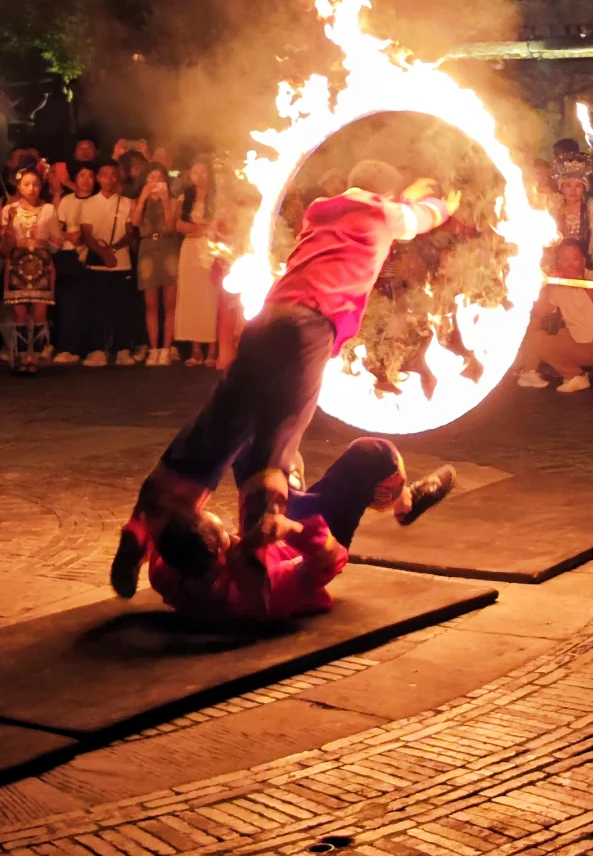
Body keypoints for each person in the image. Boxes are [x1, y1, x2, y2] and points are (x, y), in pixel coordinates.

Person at [110, 160, 459, 599]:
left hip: (268, 319)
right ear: (385, 196)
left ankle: (143, 526)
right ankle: (261, 545)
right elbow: (417, 219)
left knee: (219, 428)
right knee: (279, 436)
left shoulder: (319, 209)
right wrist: (438, 205)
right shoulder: (383, 213)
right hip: (309, 326)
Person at [147, 439, 454, 622]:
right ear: (217, 549)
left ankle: (291, 480)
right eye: (226, 537)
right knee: (373, 454)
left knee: (258, 447)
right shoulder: (265, 584)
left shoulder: (167, 571)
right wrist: (291, 529)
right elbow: (331, 558)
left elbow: (164, 523)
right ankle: (404, 502)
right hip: (307, 538)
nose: (233, 537)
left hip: (269, 532)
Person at [515, 240, 593, 396]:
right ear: (558, 262)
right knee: (537, 339)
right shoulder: (557, 284)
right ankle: (575, 377)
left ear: (583, 260)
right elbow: (540, 312)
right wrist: (545, 284)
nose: (569, 264)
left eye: (574, 259)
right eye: (564, 260)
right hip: (580, 345)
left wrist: (582, 283)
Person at [1, 166, 61, 372]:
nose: (32, 188)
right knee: (19, 313)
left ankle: (34, 358)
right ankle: (19, 356)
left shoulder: (48, 210)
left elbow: (58, 242)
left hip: (40, 264)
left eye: (35, 184)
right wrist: (8, 226)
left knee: (39, 311)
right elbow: (5, 248)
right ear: (18, 186)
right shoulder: (9, 209)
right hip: (17, 263)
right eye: (26, 184)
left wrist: (41, 240)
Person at [80, 161, 138, 367]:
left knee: (121, 308)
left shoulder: (127, 203)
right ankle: (97, 350)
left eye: (114, 175)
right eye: (104, 175)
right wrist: (103, 252)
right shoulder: (88, 203)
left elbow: (130, 232)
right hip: (97, 264)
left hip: (121, 263)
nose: (109, 179)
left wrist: (113, 249)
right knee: (97, 308)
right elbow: (86, 234)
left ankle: (122, 349)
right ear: (98, 178)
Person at [131, 162, 182, 367]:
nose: (155, 182)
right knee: (150, 303)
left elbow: (170, 226)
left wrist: (165, 201)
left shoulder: (174, 201)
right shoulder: (136, 200)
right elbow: (135, 222)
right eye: (150, 177)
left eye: (159, 177)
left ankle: (166, 349)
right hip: (147, 249)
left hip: (168, 247)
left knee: (170, 303)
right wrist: (143, 197)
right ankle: (153, 348)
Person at [175, 157, 220, 368]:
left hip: (211, 250)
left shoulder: (219, 198)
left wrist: (197, 230)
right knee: (191, 296)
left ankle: (212, 349)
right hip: (190, 250)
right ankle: (195, 350)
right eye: (195, 172)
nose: (199, 177)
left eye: (204, 172)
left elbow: (219, 225)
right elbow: (178, 225)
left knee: (210, 295)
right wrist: (201, 229)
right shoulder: (186, 197)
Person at [53, 164, 98, 365]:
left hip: (91, 256)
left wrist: (85, 238)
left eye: (90, 176)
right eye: (82, 175)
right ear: (75, 178)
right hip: (68, 256)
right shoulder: (66, 201)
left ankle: (85, 348)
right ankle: (66, 346)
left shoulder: (99, 202)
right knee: (68, 304)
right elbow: (56, 229)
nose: (86, 180)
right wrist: (67, 235)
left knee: (88, 304)